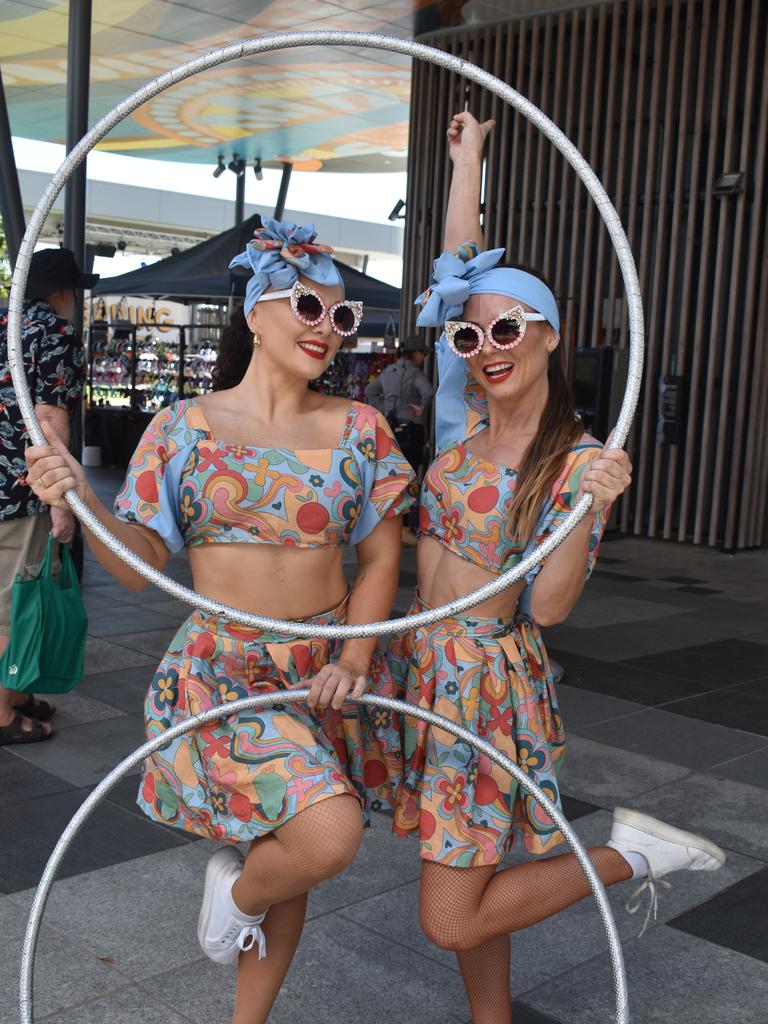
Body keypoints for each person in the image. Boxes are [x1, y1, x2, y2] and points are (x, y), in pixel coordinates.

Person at [26, 219, 415, 1024]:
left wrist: (359, 658)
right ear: (256, 313)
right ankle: (235, 895)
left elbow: (380, 563)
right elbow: (137, 569)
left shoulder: (361, 429)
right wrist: (81, 497)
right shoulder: (182, 428)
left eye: (342, 318)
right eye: (310, 306)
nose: (328, 330)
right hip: (220, 671)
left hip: (320, 671)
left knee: (299, 853)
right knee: (327, 834)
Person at [385, 113, 725, 1023]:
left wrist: (592, 505)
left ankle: (627, 857)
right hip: (425, 669)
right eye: (470, 338)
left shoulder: (575, 461)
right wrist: (466, 163)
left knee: (449, 915)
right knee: (475, 879)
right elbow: (461, 275)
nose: (487, 348)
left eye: (510, 330)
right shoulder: (461, 425)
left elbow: (556, 606)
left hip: (488, 684)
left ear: (550, 337)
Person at [0, 248, 95, 745]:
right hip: (20, 490)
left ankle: (14, 694)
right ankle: (2, 715)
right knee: (13, 603)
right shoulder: (54, 332)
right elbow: (51, 420)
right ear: (62, 293)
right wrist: (63, 503)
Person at [365, 334, 434, 541]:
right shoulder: (414, 373)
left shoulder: (389, 371)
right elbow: (429, 392)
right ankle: (409, 527)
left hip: (391, 430)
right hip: (411, 431)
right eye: (422, 353)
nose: (424, 357)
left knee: (392, 477)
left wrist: (382, 411)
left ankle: (392, 525)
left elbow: (370, 390)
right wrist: (420, 410)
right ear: (414, 353)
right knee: (411, 477)